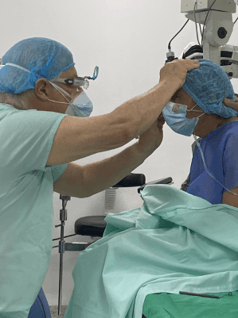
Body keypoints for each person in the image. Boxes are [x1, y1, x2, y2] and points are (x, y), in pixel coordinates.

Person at [0, 37, 199, 318]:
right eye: (72, 83)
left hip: (20, 291)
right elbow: (120, 127)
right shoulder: (14, 127)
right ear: (42, 88)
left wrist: (142, 148)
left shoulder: (25, 140)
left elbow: (82, 182)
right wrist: (169, 80)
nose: (79, 92)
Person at [162, 59, 238, 207]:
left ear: (209, 98)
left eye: (176, 97)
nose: (169, 105)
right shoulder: (203, 144)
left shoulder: (234, 138)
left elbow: (231, 217)